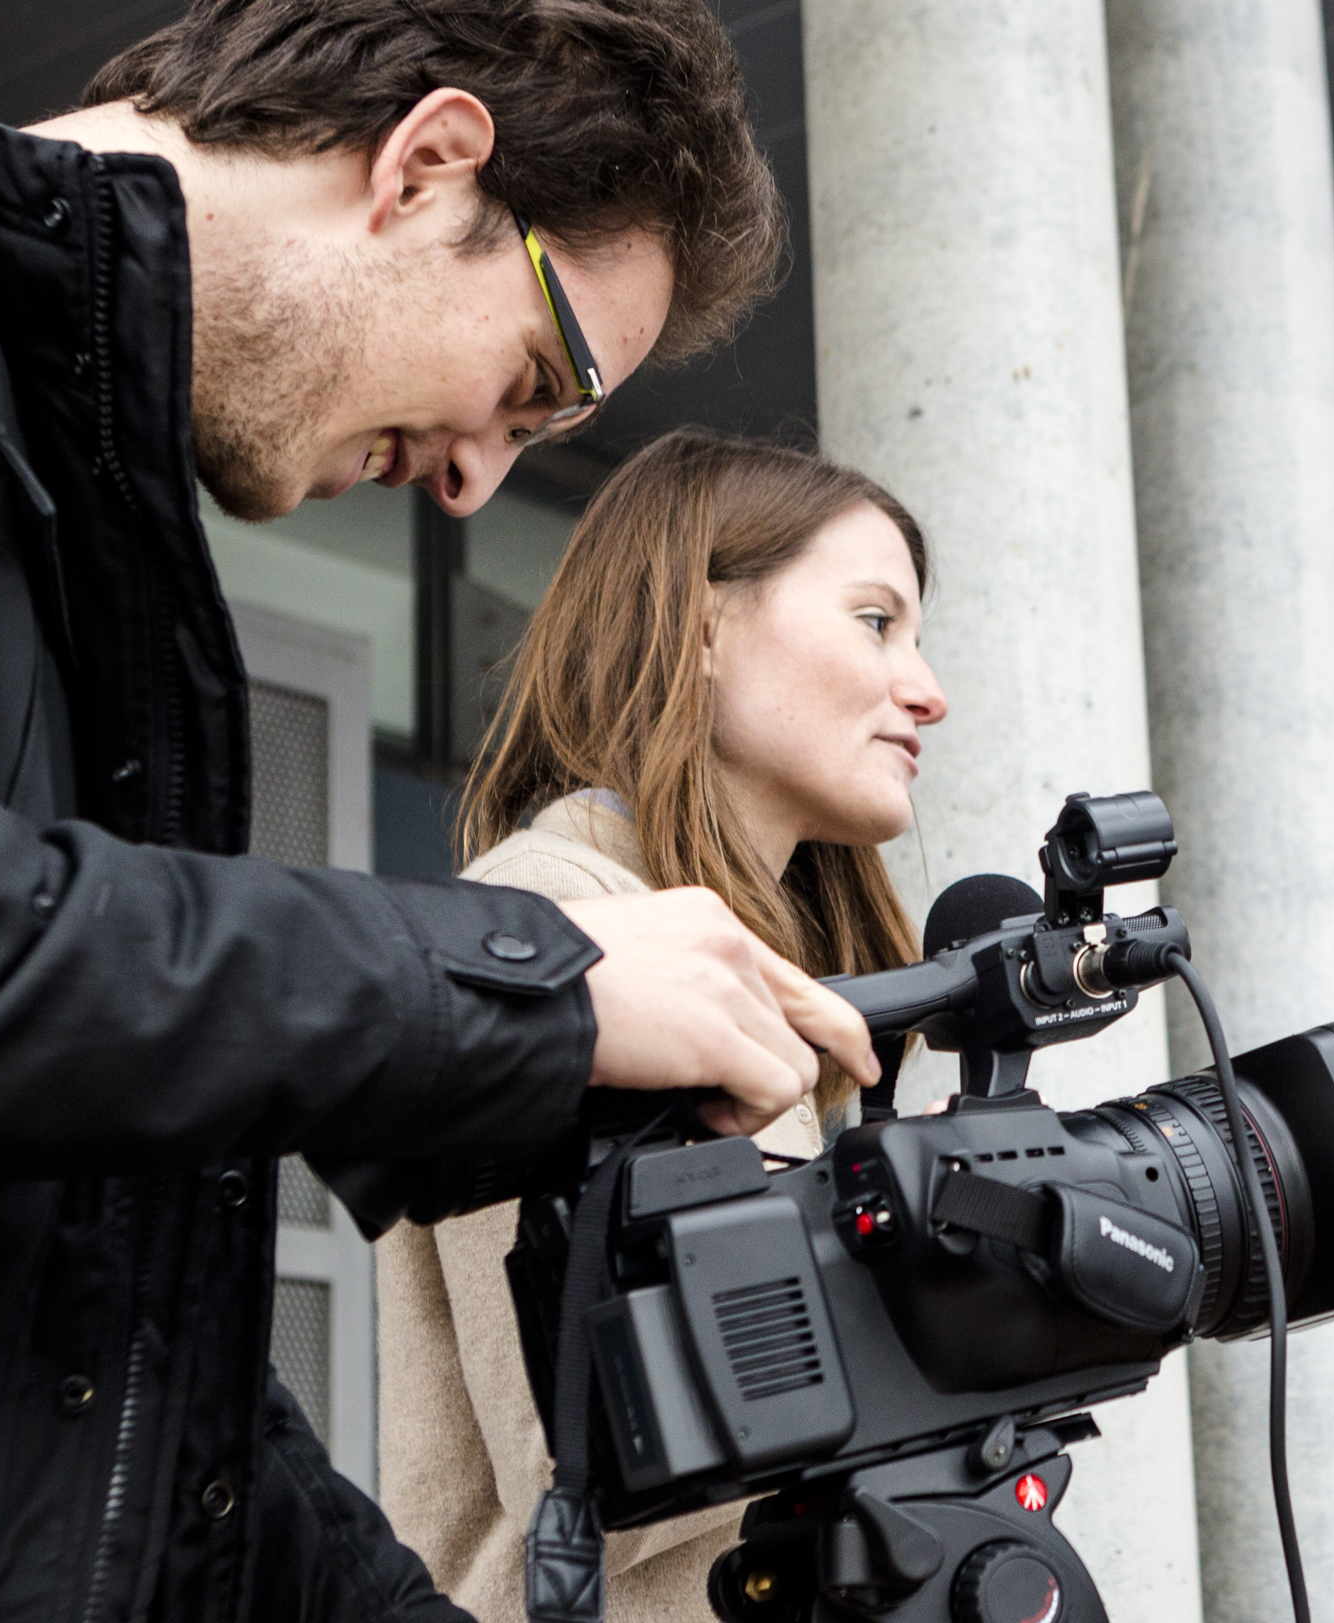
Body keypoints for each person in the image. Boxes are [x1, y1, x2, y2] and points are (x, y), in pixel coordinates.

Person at [0, 3, 878, 1619]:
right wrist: (535, 976)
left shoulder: (94, 534)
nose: (479, 480)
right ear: (428, 165)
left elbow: (121, 1381)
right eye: (532, 382)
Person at [376, 429, 948, 1622]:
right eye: (873, 621)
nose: (926, 690)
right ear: (698, 627)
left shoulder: (772, 979)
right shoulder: (555, 925)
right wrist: (948, 1281)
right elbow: (594, 1437)